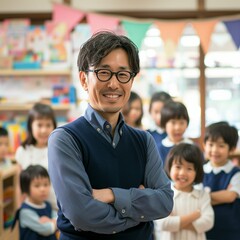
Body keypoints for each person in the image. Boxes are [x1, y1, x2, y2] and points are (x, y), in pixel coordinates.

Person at [48, 31, 173, 240]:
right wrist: (139, 211)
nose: (114, 84)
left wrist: (112, 195)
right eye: (103, 72)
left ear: (131, 81)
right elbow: (82, 215)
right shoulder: (65, 139)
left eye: (123, 74)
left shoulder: (144, 141)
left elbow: (165, 202)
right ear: (84, 79)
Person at [155, 143, 214, 240]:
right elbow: (162, 223)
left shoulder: (202, 195)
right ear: (169, 167)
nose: (182, 173)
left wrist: (174, 223)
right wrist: (194, 216)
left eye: (189, 168)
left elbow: (208, 222)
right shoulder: (163, 195)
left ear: (197, 172)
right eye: (178, 167)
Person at [15, 102, 57, 209]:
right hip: (31, 209)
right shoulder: (22, 151)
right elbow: (18, 186)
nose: (44, 130)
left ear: (54, 126)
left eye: (48, 125)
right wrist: (19, 209)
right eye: (39, 125)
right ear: (30, 126)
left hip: (56, 208)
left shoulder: (57, 150)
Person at [202, 121, 240, 240]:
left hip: (230, 230)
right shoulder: (199, 171)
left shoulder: (236, 173)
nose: (215, 150)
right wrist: (220, 196)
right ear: (204, 145)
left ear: (232, 149)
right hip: (204, 230)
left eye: (221, 145)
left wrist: (202, 197)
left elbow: (230, 196)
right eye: (211, 144)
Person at [12, 165, 57, 240]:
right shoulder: (25, 211)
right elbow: (47, 229)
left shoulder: (47, 205)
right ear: (26, 189)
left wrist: (51, 221)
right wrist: (54, 222)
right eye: (37, 186)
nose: (43, 189)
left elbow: (57, 217)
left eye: (46, 184)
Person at [158, 101, 193, 165]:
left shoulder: (192, 147)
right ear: (164, 124)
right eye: (173, 122)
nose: (177, 127)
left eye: (182, 123)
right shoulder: (158, 149)